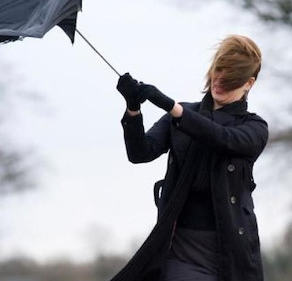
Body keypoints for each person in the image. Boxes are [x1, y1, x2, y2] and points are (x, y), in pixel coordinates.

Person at [112, 35, 268, 281]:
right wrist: (133, 108)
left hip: (233, 253)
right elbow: (140, 153)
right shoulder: (183, 114)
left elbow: (222, 138)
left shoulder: (254, 128)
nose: (219, 81)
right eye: (218, 72)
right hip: (181, 247)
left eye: (230, 80)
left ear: (248, 83)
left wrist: (173, 108)